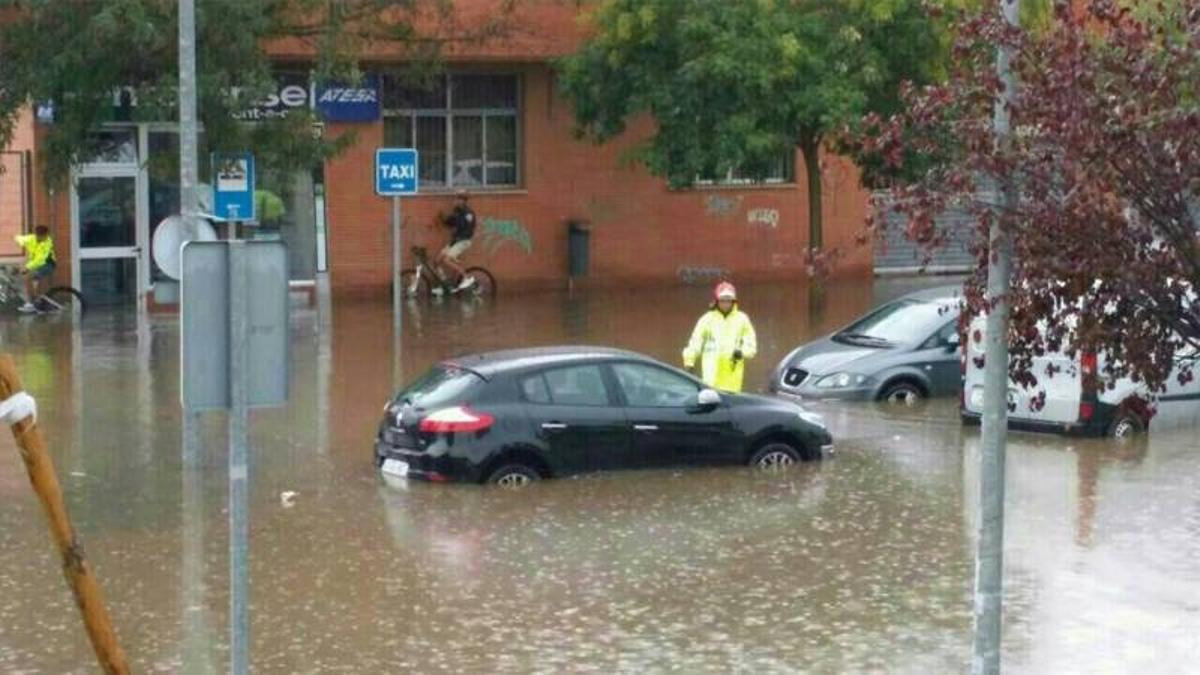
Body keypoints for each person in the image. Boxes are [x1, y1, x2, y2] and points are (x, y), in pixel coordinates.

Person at [682, 281, 758, 392]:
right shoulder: (707, 319)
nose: (726, 304)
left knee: (732, 405)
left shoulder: (742, 319)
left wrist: (741, 353)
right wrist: (689, 363)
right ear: (717, 301)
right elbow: (695, 342)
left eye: (729, 300)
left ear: (733, 301)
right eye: (723, 300)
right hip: (711, 376)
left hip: (733, 378)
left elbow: (751, 345)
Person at [435, 189, 478, 293]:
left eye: (459, 199)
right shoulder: (457, 212)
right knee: (437, 261)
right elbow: (450, 223)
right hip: (455, 241)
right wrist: (443, 218)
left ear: (464, 201)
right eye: (456, 199)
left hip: (463, 241)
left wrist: (457, 220)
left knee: (447, 260)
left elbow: (468, 228)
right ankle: (445, 285)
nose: (456, 201)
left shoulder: (469, 213)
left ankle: (466, 278)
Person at [14, 226, 56, 314]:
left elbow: (40, 259)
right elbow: (17, 238)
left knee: (28, 277)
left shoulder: (47, 243)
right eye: (38, 235)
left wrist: (26, 268)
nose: (40, 238)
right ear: (36, 234)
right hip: (35, 263)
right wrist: (19, 241)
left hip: (47, 264)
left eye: (43, 236)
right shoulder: (31, 238)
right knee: (32, 280)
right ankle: (38, 300)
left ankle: (31, 304)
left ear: (46, 235)